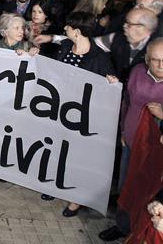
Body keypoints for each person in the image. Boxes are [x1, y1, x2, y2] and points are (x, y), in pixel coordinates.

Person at [99, 38, 163, 242]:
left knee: (151, 195)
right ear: (147, 60)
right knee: (126, 188)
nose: (161, 65)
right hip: (130, 144)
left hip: (160, 153)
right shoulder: (137, 72)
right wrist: (123, 131)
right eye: (155, 60)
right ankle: (122, 226)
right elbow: (127, 102)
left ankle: (140, 230)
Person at [44, 11, 115, 216]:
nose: (64, 29)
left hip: (82, 116)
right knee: (57, 149)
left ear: (76, 31)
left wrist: (112, 82)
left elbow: (109, 83)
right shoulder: (66, 46)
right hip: (59, 109)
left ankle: (76, 199)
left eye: (68, 27)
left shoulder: (99, 58)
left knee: (76, 156)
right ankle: (55, 185)